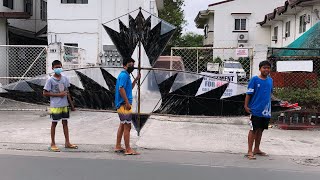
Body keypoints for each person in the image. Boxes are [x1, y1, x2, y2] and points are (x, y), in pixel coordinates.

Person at [43, 60, 77, 152]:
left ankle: (67, 142)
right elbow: (45, 93)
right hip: (55, 105)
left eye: (60, 67)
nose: (58, 69)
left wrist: (72, 105)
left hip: (64, 104)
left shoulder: (65, 79)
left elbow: (67, 92)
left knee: (65, 123)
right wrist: (58, 95)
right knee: (54, 123)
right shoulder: (50, 80)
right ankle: (52, 143)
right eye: (56, 67)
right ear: (53, 68)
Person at [244, 60, 273, 160]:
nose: (266, 69)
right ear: (260, 69)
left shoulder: (270, 80)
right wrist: (246, 106)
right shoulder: (254, 80)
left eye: (268, 68)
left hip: (265, 111)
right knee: (253, 129)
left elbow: (270, 94)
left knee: (261, 130)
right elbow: (249, 93)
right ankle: (249, 151)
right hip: (255, 110)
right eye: (264, 67)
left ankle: (257, 149)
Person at [114, 57, 141, 155]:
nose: (132, 66)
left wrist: (136, 79)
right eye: (130, 65)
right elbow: (121, 89)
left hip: (122, 104)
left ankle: (117, 146)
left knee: (122, 124)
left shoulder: (126, 75)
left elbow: (129, 87)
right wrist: (127, 102)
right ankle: (128, 149)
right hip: (124, 105)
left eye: (133, 65)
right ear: (124, 65)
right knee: (127, 126)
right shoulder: (124, 75)